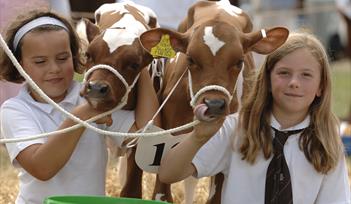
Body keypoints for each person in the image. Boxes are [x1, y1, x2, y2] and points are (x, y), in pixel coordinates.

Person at [158, 32, 351, 204]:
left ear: (321, 86)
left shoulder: (327, 142)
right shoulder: (235, 128)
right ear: (267, 79)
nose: (294, 83)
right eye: (284, 73)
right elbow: (168, 174)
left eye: (306, 75)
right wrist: (197, 137)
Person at [0, 9, 160, 204]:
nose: (54, 68)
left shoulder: (92, 97)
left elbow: (146, 137)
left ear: (77, 57)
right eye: (40, 61)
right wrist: (82, 115)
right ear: (19, 65)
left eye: (62, 58)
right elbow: (42, 167)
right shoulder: (15, 109)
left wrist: (137, 63)